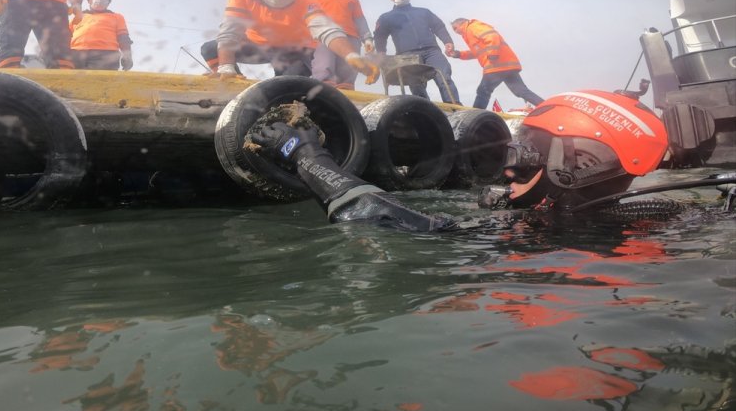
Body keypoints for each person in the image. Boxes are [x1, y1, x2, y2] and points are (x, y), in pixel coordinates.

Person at [250, 90, 672, 232]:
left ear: (576, 166)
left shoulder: (564, 232)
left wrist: (305, 155)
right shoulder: (573, 215)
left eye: (527, 153)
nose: (508, 166)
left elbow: (393, 225)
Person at [200, 0, 378, 83]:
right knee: (211, 49)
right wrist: (226, 66)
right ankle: (230, 81)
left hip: (294, 53)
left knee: (284, 86)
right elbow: (230, 30)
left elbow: (327, 30)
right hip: (258, 47)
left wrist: (353, 57)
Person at [372, 0, 460, 104]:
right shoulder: (385, 18)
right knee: (416, 85)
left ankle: (454, 106)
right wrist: (381, 51)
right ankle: (425, 109)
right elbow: (380, 36)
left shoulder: (424, 12)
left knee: (444, 77)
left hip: (432, 51)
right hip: (407, 55)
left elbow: (438, 26)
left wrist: (447, 41)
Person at [448, 18, 545, 109]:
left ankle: (475, 115)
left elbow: (491, 36)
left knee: (483, 91)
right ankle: (546, 107)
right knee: (521, 91)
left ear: (462, 23)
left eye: (455, 28)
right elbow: (477, 53)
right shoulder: (470, 33)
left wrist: (492, 54)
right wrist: (459, 54)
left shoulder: (472, 27)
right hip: (508, 65)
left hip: (496, 65)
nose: (455, 31)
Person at [310, 0, 375, 90]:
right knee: (324, 65)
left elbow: (360, 21)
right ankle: (322, 91)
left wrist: (368, 39)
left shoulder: (352, 0)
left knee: (348, 69)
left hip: (350, 37)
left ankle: (346, 92)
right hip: (323, 37)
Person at [69, 0, 133, 70]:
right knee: (69, 78)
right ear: (89, 0)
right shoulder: (78, 17)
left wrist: (127, 56)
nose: (100, 0)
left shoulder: (117, 17)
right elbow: (66, 37)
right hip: (75, 54)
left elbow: (123, 37)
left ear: (109, 2)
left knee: (99, 78)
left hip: (105, 55)